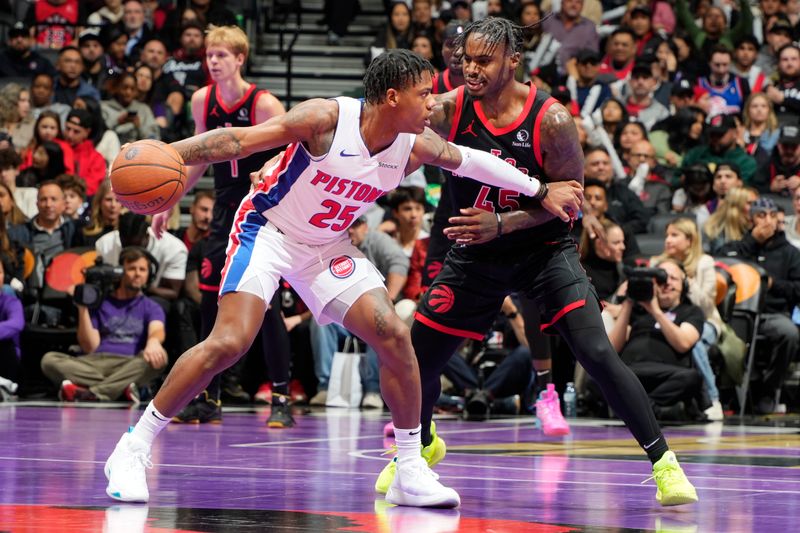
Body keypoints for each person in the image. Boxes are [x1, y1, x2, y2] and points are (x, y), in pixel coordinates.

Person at [103, 48, 581, 507]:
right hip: (268, 231)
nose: (434, 102)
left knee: (395, 334)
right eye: (424, 94)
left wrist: (540, 189)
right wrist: (167, 151)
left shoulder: (415, 146)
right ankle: (133, 447)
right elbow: (238, 140)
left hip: (327, 247)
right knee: (230, 342)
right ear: (392, 97)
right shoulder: (327, 119)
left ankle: (410, 469)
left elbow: (476, 161)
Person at [374, 18, 697, 507]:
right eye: (466, 59)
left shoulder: (552, 120)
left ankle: (665, 464)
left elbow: (570, 203)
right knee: (414, 356)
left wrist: (501, 224)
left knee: (597, 352)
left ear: (513, 61)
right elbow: (387, 142)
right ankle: (418, 448)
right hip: (475, 254)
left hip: (544, 252)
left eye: (484, 61)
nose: (471, 69)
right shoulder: (447, 110)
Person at [157, 26, 289, 426]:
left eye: (221, 55)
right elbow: (199, 156)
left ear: (240, 59)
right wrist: (172, 196)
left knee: (262, 304)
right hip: (224, 205)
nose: (213, 61)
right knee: (211, 299)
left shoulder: (263, 103)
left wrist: (268, 169)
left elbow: (294, 148)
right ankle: (208, 399)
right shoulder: (203, 99)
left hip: (262, 208)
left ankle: (282, 396)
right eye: (209, 55)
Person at [41, 247, 167, 402]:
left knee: (160, 358)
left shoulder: (151, 306)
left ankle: (90, 393)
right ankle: (121, 388)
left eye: (142, 269)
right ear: (121, 272)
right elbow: (90, 347)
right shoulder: (101, 303)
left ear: (149, 274)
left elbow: (157, 329)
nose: (137, 274)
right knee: (49, 360)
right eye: (132, 268)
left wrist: (153, 342)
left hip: (129, 363)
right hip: (94, 363)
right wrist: (82, 307)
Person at [718, 197, 800, 414]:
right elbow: (723, 265)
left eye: (773, 216)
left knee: (789, 333)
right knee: (728, 337)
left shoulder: (790, 253)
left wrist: (774, 285)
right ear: (751, 219)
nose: (768, 221)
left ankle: (768, 389)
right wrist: (752, 242)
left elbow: (798, 288)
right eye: (761, 215)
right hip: (739, 313)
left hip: (773, 313)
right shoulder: (738, 247)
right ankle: (728, 394)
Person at [610, 259, 705, 421]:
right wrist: (628, 304)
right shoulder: (637, 311)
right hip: (631, 373)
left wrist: (655, 310)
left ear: (684, 285)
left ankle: (633, 408)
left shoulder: (691, 311)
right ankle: (655, 410)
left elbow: (683, 344)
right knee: (597, 378)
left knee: (691, 378)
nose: (667, 283)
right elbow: (611, 348)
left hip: (666, 375)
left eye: (673, 278)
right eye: (661, 279)